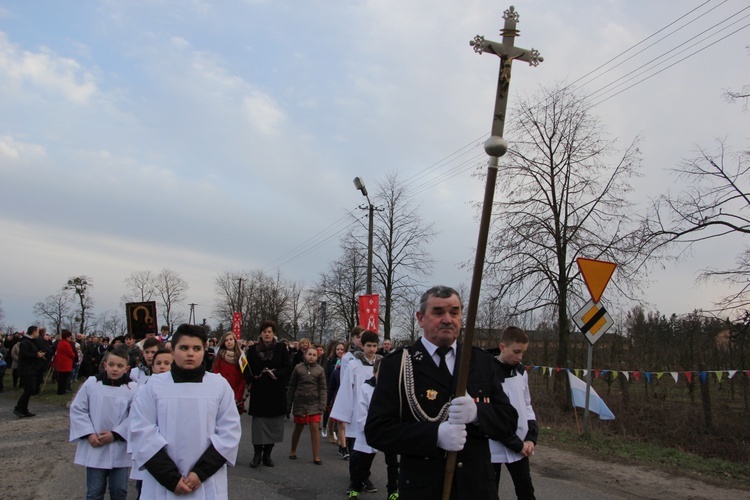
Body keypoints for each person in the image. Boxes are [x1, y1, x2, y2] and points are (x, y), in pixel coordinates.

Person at [365, 286, 519, 500]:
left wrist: (477, 413)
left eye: (454, 312)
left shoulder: (480, 361)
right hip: (423, 489)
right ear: (420, 318)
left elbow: (509, 421)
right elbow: (377, 430)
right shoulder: (398, 365)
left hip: (477, 488)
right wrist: (434, 435)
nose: (448, 319)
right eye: (438, 312)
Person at [129, 324, 241, 498]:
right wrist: (171, 478)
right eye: (184, 348)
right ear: (173, 351)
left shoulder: (219, 386)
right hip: (163, 482)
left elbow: (229, 434)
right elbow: (141, 432)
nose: (190, 353)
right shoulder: (154, 386)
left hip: (206, 482)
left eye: (197, 348)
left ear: (204, 350)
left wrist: (200, 473)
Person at [69, 346, 137, 500]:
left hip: (119, 445)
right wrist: (88, 433)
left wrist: (116, 434)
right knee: (94, 491)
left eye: (119, 366)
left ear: (127, 368)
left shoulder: (133, 389)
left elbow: (135, 416)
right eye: (111, 365)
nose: (115, 369)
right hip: (96, 444)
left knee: (119, 490)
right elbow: (78, 409)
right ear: (105, 365)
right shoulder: (92, 384)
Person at [490, 327, 538, 499]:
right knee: (489, 493)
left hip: (521, 446)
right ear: (502, 347)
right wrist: (515, 443)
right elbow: (491, 417)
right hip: (493, 447)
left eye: (523, 353)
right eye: (516, 352)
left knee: (526, 491)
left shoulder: (521, 371)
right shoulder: (487, 372)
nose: (520, 357)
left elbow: (526, 404)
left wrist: (531, 437)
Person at [331, 330, 381, 494]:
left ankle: (365, 476)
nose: (372, 349)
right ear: (363, 346)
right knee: (356, 451)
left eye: (374, 346)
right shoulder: (354, 364)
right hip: (356, 411)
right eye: (369, 346)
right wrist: (344, 414)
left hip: (374, 413)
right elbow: (346, 389)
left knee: (371, 449)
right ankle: (355, 480)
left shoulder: (382, 364)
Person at [349, 357, 399, 499]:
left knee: (393, 463)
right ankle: (356, 486)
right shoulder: (366, 388)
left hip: (389, 429)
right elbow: (361, 411)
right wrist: (369, 429)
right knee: (363, 463)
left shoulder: (393, 388)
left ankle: (393, 490)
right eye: (380, 373)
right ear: (374, 372)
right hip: (370, 430)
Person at [128, 347, 173, 497]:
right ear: (152, 367)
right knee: (145, 490)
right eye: (158, 363)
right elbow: (137, 423)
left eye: (167, 363)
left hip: (173, 452)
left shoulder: (181, 391)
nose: (162, 366)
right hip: (149, 451)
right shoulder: (143, 390)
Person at [246, 320, 291, 468]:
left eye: (270, 332)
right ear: (261, 333)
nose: (267, 334)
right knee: (259, 424)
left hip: (275, 391)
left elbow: (287, 367)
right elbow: (246, 369)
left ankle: (268, 454)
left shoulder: (280, 348)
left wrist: (276, 373)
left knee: (273, 424)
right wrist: (254, 377)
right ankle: (257, 453)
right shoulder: (252, 350)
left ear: (274, 334)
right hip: (259, 391)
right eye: (264, 332)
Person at [286, 346, 327, 464]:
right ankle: (293, 450)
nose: (311, 357)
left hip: (314, 403)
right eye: (309, 354)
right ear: (305, 355)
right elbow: (292, 386)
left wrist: (322, 405)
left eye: (314, 355)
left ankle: (316, 455)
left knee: (314, 428)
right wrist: (288, 403)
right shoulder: (298, 368)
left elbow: (323, 389)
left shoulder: (320, 370)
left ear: (317, 357)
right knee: (298, 427)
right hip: (300, 402)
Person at [212, 332, 247, 415]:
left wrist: (238, 397)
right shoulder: (219, 357)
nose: (229, 342)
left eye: (231, 339)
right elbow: (216, 376)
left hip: (237, 393)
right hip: (223, 394)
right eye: (226, 340)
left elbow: (244, 377)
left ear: (235, 341)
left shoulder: (242, 356)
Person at [14, 326, 46, 418]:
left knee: (30, 389)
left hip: (31, 368)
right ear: (33, 332)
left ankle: (24, 409)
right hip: (26, 369)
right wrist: (36, 355)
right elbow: (23, 355)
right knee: (30, 389)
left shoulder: (32, 342)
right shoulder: (25, 342)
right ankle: (18, 408)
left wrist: (40, 354)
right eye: (37, 332)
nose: (38, 334)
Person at [324, 341, 346, 443]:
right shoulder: (330, 361)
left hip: (343, 389)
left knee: (341, 415)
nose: (340, 351)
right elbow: (327, 376)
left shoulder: (347, 360)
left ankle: (340, 436)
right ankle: (331, 433)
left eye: (342, 349)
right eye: (338, 349)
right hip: (333, 389)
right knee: (333, 413)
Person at [53, 330, 76, 395]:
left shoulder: (60, 343)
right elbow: (71, 353)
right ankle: (62, 391)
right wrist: (73, 355)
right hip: (66, 363)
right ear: (67, 337)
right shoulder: (66, 344)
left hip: (60, 362)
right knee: (64, 378)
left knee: (61, 378)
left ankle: (60, 390)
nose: (70, 339)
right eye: (70, 337)